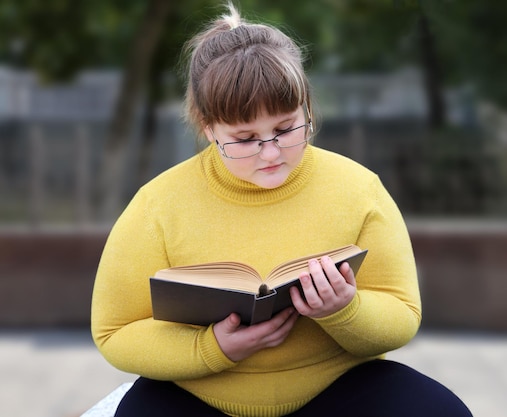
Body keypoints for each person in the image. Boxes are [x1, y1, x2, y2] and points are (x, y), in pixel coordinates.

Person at [91, 3, 473, 417]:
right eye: (245, 138)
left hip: (335, 387)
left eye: (286, 128)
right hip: (200, 395)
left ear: (307, 107)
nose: (270, 152)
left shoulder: (359, 188)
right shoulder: (157, 204)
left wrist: (345, 310)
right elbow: (114, 332)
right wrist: (212, 348)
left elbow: (403, 313)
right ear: (207, 127)